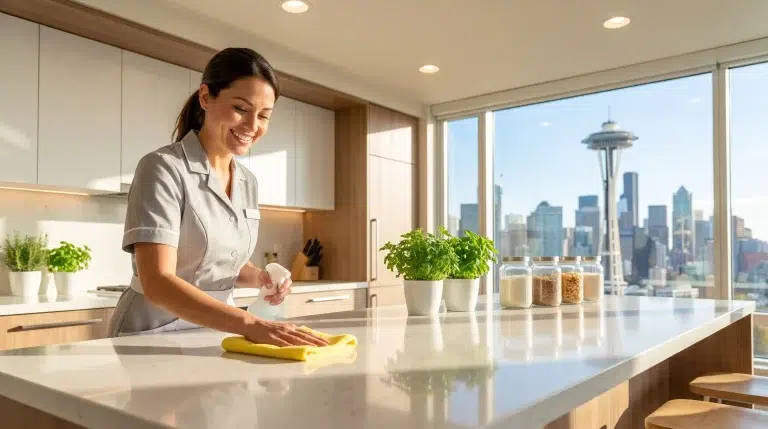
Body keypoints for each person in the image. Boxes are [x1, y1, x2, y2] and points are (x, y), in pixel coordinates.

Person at [109, 47, 328, 347]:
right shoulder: (162, 168)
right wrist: (250, 324)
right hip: (152, 334)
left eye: (264, 115)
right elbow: (157, 282)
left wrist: (261, 276)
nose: (252, 126)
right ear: (205, 97)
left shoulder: (247, 182)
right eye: (241, 108)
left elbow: (222, 266)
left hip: (215, 332)